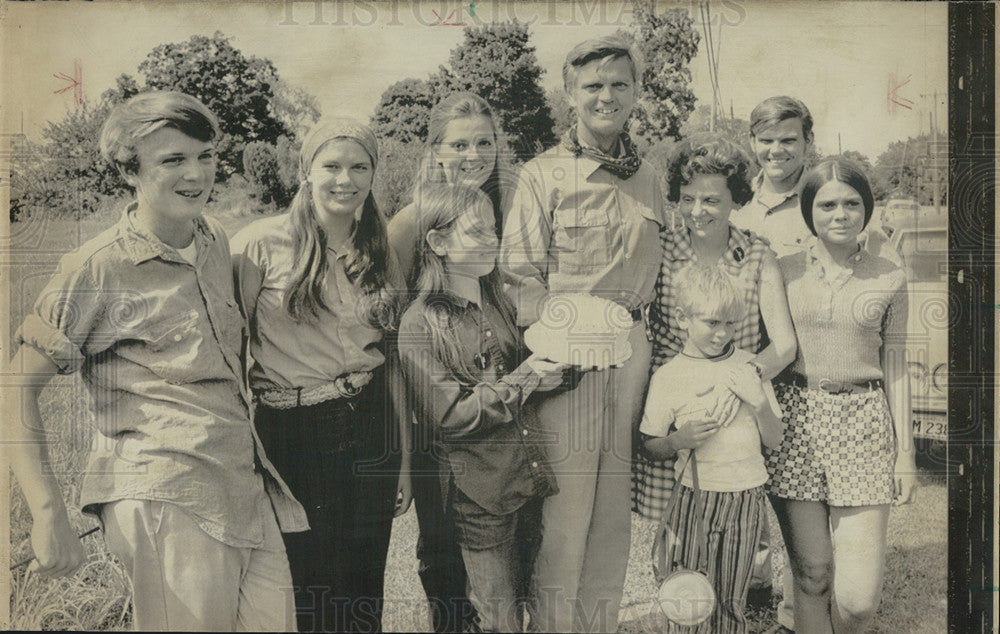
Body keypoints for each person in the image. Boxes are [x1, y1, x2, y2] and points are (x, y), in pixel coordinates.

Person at [5, 91, 305, 631]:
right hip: (167, 495)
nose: (197, 173)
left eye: (205, 155)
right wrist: (47, 513)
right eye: (172, 159)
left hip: (243, 485)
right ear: (130, 171)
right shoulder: (97, 266)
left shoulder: (213, 239)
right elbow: (16, 387)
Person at [500, 35, 666, 632]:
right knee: (564, 524)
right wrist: (569, 342)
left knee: (611, 521)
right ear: (570, 95)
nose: (607, 95)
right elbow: (520, 281)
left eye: (620, 83)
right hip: (567, 364)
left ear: (636, 92)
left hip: (633, 358)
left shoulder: (650, 176)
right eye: (593, 85)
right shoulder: (541, 175)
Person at [231, 118, 410, 632]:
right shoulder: (257, 246)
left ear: (374, 174)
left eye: (359, 166)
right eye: (331, 166)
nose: (344, 179)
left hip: (369, 424)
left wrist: (401, 459)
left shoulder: (381, 249)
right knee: (309, 588)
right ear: (306, 172)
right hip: (292, 432)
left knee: (362, 590)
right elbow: (229, 350)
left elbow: (393, 357)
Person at [632, 133, 797, 622]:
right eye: (688, 198)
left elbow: (784, 344)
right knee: (678, 562)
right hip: (674, 407)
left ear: (735, 199)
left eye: (711, 199)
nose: (697, 210)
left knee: (731, 557)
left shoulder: (757, 254)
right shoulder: (659, 247)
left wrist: (740, 382)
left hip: (739, 408)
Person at [397, 183, 568, 632]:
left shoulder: (498, 303)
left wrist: (570, 358)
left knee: (531, 602)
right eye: (477, 231)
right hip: (479, 497)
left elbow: (524, 381)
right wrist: (529, 377)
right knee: (499, 618)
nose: (492, 239)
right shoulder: (420, 324)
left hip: (525, 479)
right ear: (438, 243)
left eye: (493, 229)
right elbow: (451, 418)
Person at [766, 158, 917, 633]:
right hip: (796, 425)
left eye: (852, 203)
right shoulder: (780, 270)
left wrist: (906, 454)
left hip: (864, 426)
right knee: (811, 578)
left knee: (856, 602)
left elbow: (895, 367)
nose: (840, 214)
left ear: (866, 209)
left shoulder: (889, 276)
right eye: (827, 204)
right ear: (809, 209)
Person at [387, 91, 511, 631]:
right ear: (434, 150)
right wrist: (406, 454)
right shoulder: (411, 224)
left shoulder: (501, 206)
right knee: (446, 556)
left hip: (496, 412)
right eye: (459, 143)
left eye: (485, 141)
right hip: (434, 411)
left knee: (502, 570)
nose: (473, 154)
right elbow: (395, 346)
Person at [641, 264, 784, 634]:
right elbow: (649, 445)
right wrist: (677, 441)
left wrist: (759, 403)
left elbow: (776, 439)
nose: (723, 334)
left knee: (731, 602)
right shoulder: (668, 375)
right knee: (689, 600)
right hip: (694, 499)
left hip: (746, 497)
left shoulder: (750, 367)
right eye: (712, 323)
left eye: (731, 324)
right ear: (682, 318)